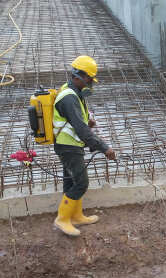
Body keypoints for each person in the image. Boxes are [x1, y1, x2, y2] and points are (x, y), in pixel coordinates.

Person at [52, 55, 116, 236]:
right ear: (79, 76)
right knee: (81, 183)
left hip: (69, 144)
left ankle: (76, 215)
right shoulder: (69, 97)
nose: (91, 83)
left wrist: (88, 121)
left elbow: (77, 121)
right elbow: (81, 130)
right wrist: (105, 148)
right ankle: (62, 219)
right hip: (68, 146)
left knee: (70, 180)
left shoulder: (72, 91)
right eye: (89, 79)